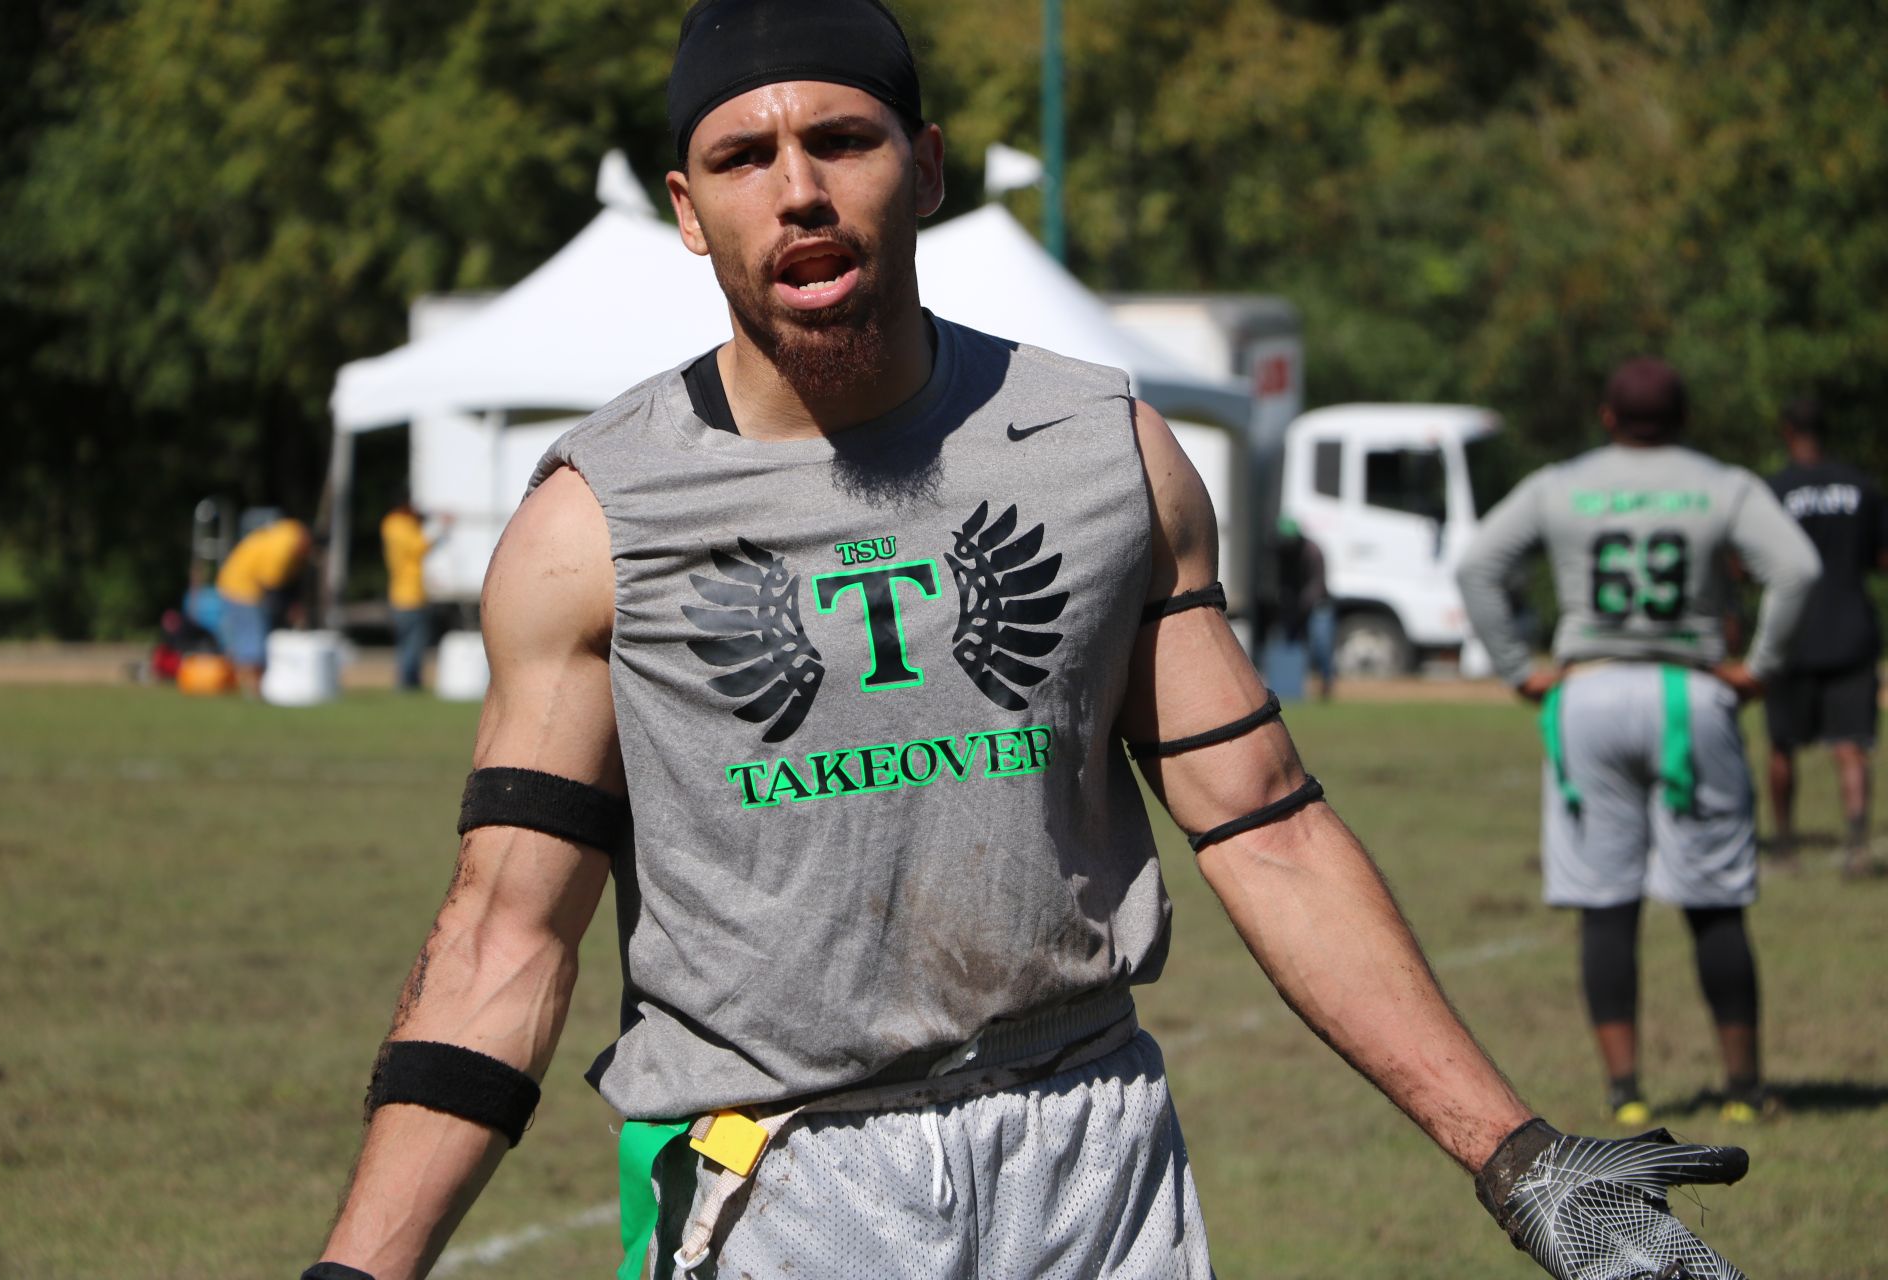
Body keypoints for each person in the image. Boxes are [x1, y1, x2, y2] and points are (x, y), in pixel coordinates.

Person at [304, 9, 1752, 1279]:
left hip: (1095, 1149)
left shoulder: (1102, 448)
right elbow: (506, 937)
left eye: (842, 140)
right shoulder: (590, 521)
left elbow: (1265, 826)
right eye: (744, 161)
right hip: (782, 1179)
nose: (798, 190)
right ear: (689, 210)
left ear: (923, 169)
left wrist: (1520, 1158)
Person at [1458, 358, 1821, 1129]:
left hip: (1587, 693)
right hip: (1688, 693)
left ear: (1608, 417)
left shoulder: (1561, 485)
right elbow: (1796, 568)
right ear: (1684, 418)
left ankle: (1626, 1094)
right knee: (1715, 899)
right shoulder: (1722, 484)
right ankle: (1743, 1089)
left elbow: (1478, 563)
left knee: (1605, 900)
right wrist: (1758, 668)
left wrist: (1521, 671)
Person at [1764, 398, 1888, 878]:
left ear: (1786, 431)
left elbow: (1746, 562)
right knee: (1850, 744)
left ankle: (1784, 845)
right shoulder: (1862, 486)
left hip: (1791, 632)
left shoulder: (1773, 490)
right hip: (1852, 628)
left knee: (1782, 744)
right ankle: (1856, 845)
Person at [214, 514, 313, 695]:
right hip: (241, 587)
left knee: (248, 636)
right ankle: (252, 687)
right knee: (253, 638)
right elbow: (274, 588)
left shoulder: (291, 532)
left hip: (237, 582)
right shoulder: (281, 551)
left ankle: (247, 683)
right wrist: (288, 611)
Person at [380, 495, 450, 691]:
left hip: (402, 594)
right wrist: (440, 529)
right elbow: (417, 546)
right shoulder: (397, 525)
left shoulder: (393, 525)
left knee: (407, 642)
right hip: (409, 595)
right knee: (414, 642)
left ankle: (408, 680)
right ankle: (408, 683)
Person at [1272, 514, 1336, 700]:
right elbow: (1281, 580)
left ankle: (1326, 684)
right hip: (1295, 603)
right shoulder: (1281, 552)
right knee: (1288, 642)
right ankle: (1291, 686)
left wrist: (1303, 603)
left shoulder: (1312, 551)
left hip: (1317, 603)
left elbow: (1318, 583)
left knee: (1321, 643)